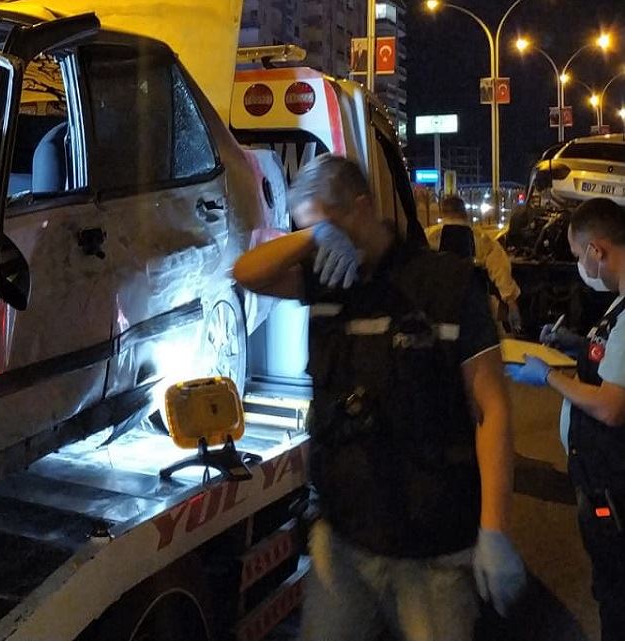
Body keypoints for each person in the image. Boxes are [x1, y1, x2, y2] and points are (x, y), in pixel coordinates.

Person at [233, 155, 522, 641]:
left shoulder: (446, 284)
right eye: (306, 230)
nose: (319, 242)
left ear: (362, 208)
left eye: (323, 223)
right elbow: (246, 273)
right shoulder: (327, 278)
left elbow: (492, 410)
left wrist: (494, 528)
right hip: (344, 541)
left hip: (432, 552)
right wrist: (313, 237)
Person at [507, 196, 625, 641]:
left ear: (598, 250)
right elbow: (611, 358)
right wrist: (576, 345)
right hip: (603, 480)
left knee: (615, 592)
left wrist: (551, 378)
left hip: (613, 488)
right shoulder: (618, 306)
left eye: (578, 256)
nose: (579, 265)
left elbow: (612, 407)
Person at [425, 193, 523, 333]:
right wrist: (511, 303)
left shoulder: (429, 236)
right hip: (471, 305)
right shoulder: (482, 239)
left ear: (443, 212)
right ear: (464, 213)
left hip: (437, 306)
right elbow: (500, 270)